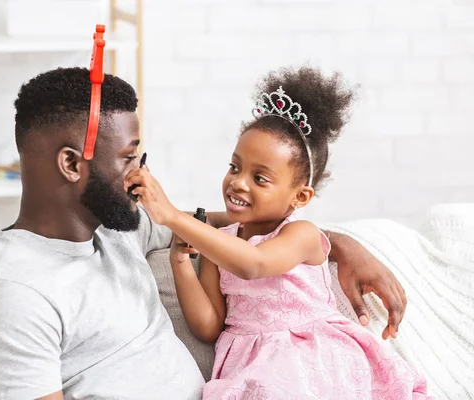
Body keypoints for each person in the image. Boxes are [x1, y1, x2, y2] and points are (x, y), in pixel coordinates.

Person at [0, 67, 408, 400]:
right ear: (72, 164)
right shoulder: (12, 296)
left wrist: (343, 244)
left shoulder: (118, 228)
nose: (141, 175)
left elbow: (245, 234)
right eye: (129, 158)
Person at [124, 66, 429, 399]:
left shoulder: (302, 235)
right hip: (248, 364)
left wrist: (170, 215)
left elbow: (254, 264)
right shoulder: (221, 241)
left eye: (260, 178)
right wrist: (180, 262)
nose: (238, 182)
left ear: (299, 197)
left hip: (312, 358)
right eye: (234, 167)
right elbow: (209, 326)